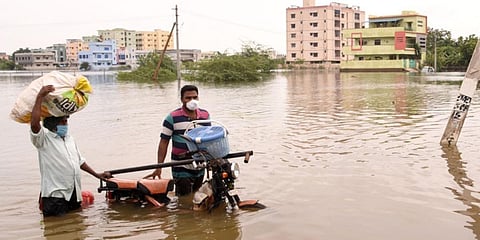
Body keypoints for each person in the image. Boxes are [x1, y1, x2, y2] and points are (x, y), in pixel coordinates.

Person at [30, 85, 110, 217]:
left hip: (74, 193)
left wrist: (97, 175)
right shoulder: (44, 139)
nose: (66, 125)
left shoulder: (69, 139)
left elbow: (79, 161)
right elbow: (34, 125)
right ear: (53, 124)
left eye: (66, 121)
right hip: (56, 196)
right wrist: (40, 97)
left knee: (76, 228)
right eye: (63, 122)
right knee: (57, 232)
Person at [145, 85, 210, 196]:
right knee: (184, 198)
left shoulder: (205, 116)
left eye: (195, 97)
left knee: (197, 196)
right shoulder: (172, 117)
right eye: (188, 98)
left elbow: (208, 138)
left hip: (199, 164)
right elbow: (164, 142)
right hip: (181, 165)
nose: (192, 100)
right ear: (182, 100)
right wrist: (159, 166)